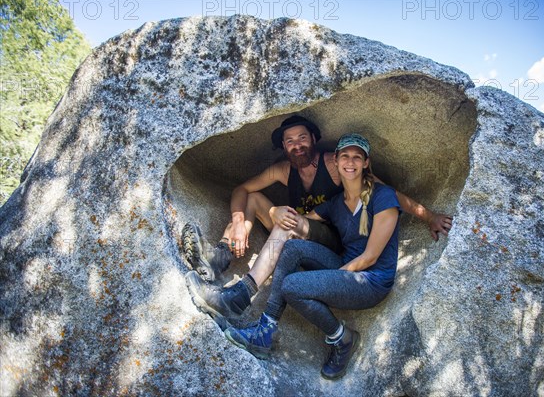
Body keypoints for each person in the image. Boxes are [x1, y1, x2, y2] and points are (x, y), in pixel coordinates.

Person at [184, 115, 452, 324]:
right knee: (254, 202)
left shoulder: (336, 164)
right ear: (284, 146)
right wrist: (239, 221)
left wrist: (429, 216)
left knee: (286, 221)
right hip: (302, 228)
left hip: (332, 240)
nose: (297, 145)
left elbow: (390, 194)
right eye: (290, 141)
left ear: (314, 139)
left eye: (302, 138)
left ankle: (241, 295)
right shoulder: (283, 169)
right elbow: (241, 190)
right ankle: (220, 257)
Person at [224, 133, 400, 379]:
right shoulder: (336, 203)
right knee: (293, 248)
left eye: (357, 157)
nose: (351, 162)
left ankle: (342, 338)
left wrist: (331, 279)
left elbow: (370, 257)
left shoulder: (383, 197)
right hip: (344, 266)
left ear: (366, 163)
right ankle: (265, 329)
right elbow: (299, 223)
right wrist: (274, 212)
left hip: (371, 281)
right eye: (345, 156)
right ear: (335, 160)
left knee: (292, 285)